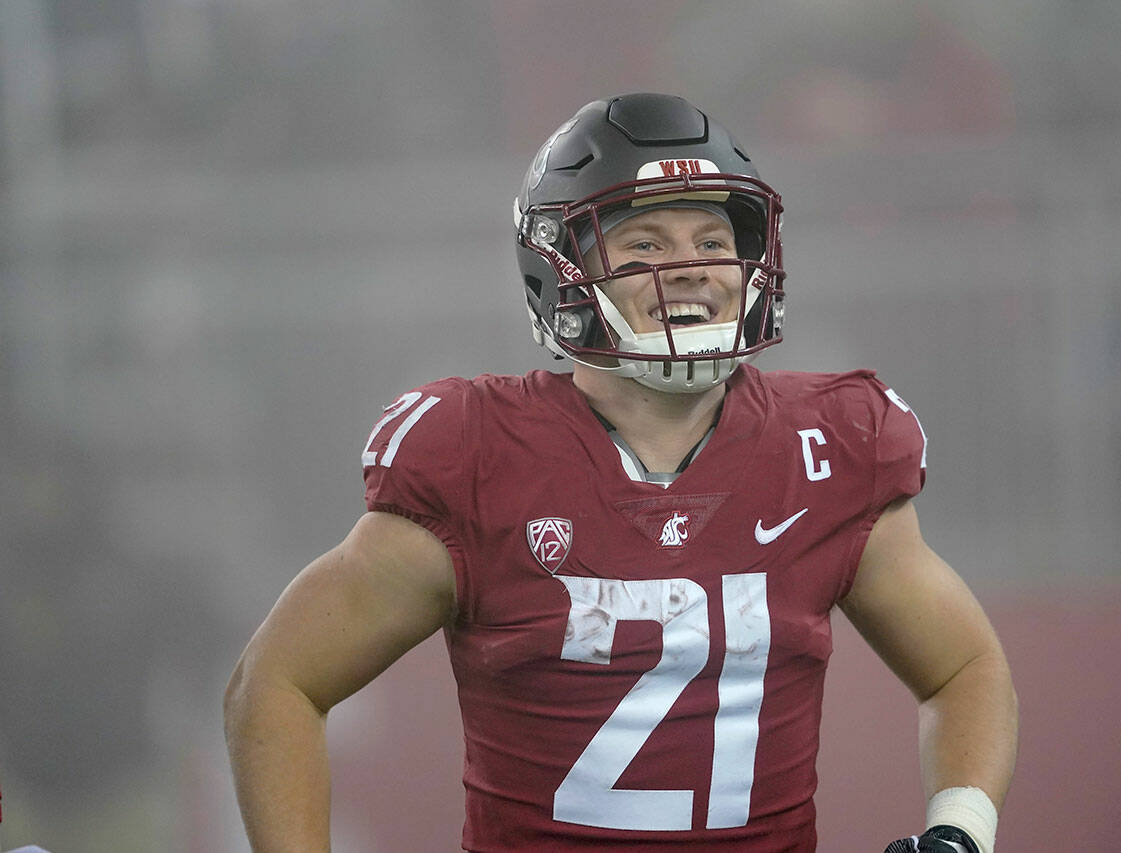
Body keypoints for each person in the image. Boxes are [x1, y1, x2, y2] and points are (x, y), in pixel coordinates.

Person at [224, 93, 1018, 852]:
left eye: (713, 241)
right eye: (644, 245)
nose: (691, 268)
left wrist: (959, 829)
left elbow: (965, 666)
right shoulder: (478, 454)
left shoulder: (828, 447)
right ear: (561, 270)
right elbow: (277, 683)